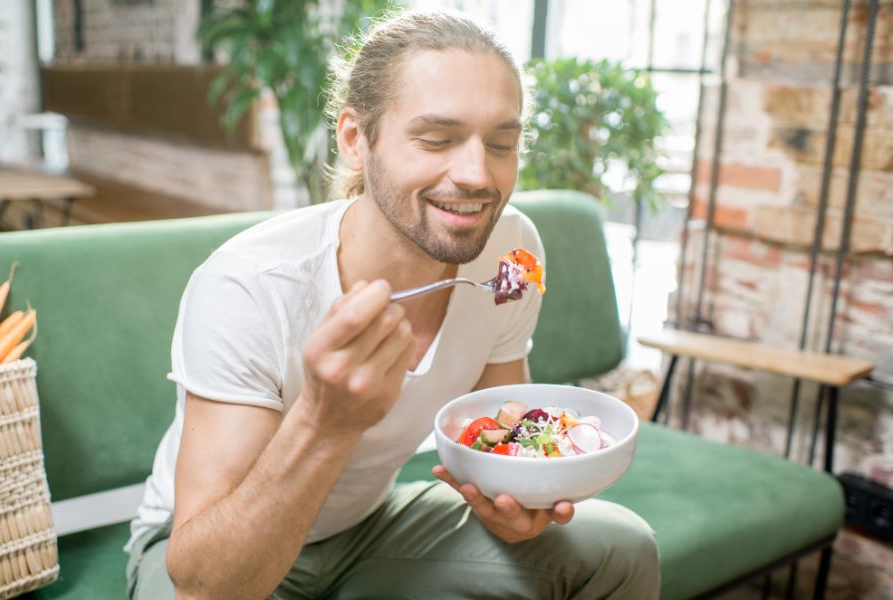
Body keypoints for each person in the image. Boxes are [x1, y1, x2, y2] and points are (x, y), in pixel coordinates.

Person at [125, 10, 660, 600]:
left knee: (620, 547)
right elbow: (206, 584)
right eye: (436, 139)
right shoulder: (250, 285)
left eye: (502, 142)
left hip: (368, 528)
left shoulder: (511, 251)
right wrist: (325, 420)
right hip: (212, 550)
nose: (478, 175)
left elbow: (503, 426)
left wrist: (515, 497)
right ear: (356, 139)